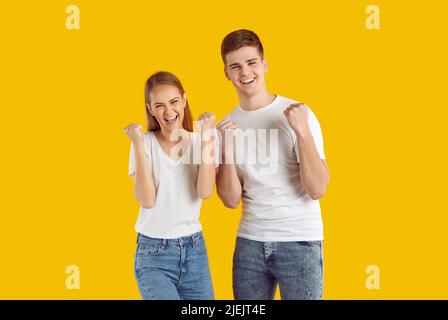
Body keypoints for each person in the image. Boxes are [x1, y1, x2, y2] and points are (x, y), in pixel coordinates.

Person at [216, 30, 330, 300]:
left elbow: (317, 189)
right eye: (236, 66)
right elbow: (231, 200)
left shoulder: (299, 113)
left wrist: (302, 131)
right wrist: (227, 149)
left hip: (299, 241)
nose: (245, 72)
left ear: (264, 65)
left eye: (251, 63)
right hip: (249, 244)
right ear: (227, 73)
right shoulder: (226, 125)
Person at [124, 71, 216, 300]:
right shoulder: (143, 142)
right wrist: (137, 143)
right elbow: (147, 200)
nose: (168, 111)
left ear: (184, 100)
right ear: (150, 109)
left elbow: (205, 191)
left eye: (174, 102)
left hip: (195, 250)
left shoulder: (199, 142)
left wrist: (206, 137)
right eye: (159, 105)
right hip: (153, 253)